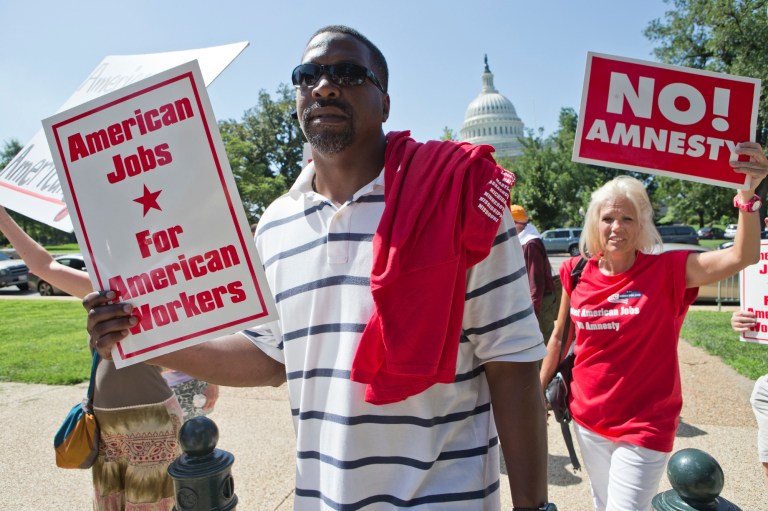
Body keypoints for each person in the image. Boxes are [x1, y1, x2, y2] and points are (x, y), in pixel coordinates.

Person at [85, 25, 553, 510]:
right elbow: (272, 358)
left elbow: (512, 365)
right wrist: (143, 338)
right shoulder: (275, 224)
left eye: (350, 74)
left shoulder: (456, 199)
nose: (325, 86)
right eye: (308, 75)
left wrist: (535, 507)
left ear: (386, 103)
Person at [539, 166, 767, 511]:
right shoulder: (575, 270)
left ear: (641, 224)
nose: (617, 227)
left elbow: (742, 256)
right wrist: (536, 395)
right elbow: (558, 337)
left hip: (645, 424)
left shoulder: (667, 271)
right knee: (603, 505)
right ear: (594, 224)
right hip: (587, 418)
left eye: (627, 219)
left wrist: (747, 197)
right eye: (608, 218)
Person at [0, 205, 218, 510]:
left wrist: (207, 379)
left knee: (151, 502)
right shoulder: (104, 290)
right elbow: (43, 266)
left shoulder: (163, 293)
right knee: (109, 503)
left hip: (152, 422)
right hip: (106, 424)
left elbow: (194, 340)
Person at [511, 204, 557, 343]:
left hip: (541, 301)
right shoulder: (525, 240)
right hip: (536, 300)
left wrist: (533, 312)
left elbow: (535, 281)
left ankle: (549, 366)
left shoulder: (530, 244)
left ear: (518, 224)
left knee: (542, 342)